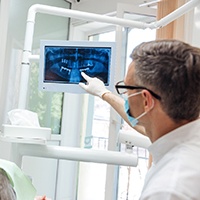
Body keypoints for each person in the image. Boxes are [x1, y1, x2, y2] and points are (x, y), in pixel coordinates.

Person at [79, 39, 200, 200]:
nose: (126, 95)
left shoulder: (167, 190)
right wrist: (104, 94)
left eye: (126, 88)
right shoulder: (187, 138)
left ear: (146, 100)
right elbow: (143, 124)